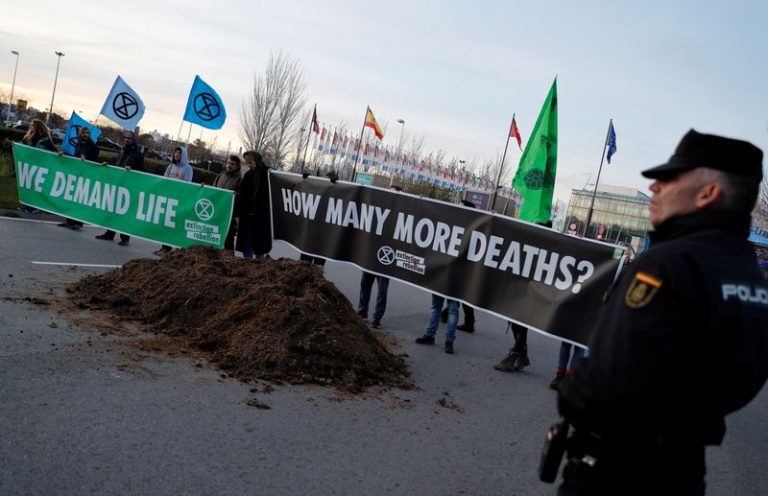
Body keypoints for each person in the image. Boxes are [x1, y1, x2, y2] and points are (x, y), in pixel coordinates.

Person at [553, 130, 768, 495]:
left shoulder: (667, 264)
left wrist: (570, 388)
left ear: (708, 193)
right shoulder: (750, 276)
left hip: (617, 470)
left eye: (669, 179)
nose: (654, 188)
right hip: (684, 468)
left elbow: (604, 384)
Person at [493, 221, 554, 373]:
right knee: (514, 319)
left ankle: (515, 353)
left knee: (522, 321)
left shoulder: (549, 247)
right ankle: (522, 354)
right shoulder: (528, 241)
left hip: (534, 291)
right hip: (520, 288)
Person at [357, 185, 403, 329]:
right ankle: (362, 312)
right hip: (372, 255)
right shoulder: (378, 208)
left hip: (386, 259)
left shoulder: (401, 214)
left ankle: (377, 316)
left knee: (382, 290)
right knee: (365, 284)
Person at [94, 131, 145, 246]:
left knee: (124, 213)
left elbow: (143, 171)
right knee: (113, 210)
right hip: (118, 185)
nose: (126, 140)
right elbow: (118, 165)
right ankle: (110, 233)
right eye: (125, 137)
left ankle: (125, 238)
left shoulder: (137, 154)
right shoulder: (122, 150)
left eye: (129, 138)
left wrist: (131, 169)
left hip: (129, 187)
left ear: (133, 140)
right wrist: (109, 166)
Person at [58, 126, 99, 230]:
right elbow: (75, 157)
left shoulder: (93, 146)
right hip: (76, 174)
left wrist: (87, 160)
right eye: (84, 132)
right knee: (71, 198)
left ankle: (78, 223)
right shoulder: (79, 144)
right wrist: (65, 154)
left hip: (86, 176)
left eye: (88, 133)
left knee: (79, 200)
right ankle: (69, 221)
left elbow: (96, 162)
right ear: (79, 134)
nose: (86, 134)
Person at [154, 147, 193, 256]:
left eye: (179, 153)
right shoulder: (170, 167)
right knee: (164, 224)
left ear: (184, 155)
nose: (177, 154)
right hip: (167, 199)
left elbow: (186, 184)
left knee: (172, 225)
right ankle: (163, 247)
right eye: (175, 152)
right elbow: (164, 181)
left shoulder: (188, 168)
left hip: (178, 201)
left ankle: (168, 248)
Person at [235, 150, 272, 260]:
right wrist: (239, 212)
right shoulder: (248, 175)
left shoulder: (269, 174)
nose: (248, 165)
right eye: (247, 162)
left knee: (259, 241)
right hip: (247, 215)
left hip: (261, 216)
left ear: (257, 161)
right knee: (247, 240)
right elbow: (242, 194)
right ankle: (247, 263)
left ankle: (259, 264)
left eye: (250, 162)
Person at [213, 155, 243, 252]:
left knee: (228, 240)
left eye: (232, 164)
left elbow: (241, 196)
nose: (229, 165)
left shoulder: (239, 180)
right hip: (217, 212)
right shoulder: (220, 176)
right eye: (229, 163)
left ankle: (230, 260)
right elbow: (212, 190)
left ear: (237, 166)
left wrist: (236, 195)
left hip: (229, 215)